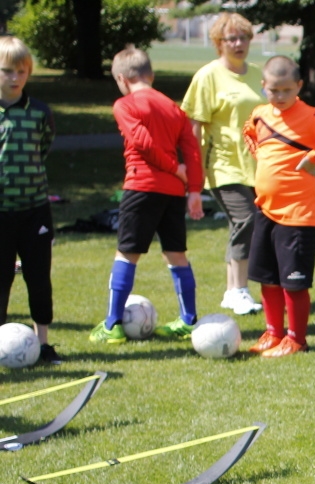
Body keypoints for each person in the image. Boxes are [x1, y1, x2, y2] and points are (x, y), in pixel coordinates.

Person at [242, 56, 315, 358]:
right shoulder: (259, 115)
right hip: (265, 209)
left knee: (292, 283)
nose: (279, 97)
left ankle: (296, 340)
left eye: (285, 90)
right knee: (267, 278)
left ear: (299, 86)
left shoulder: (310, 116)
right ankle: (273, 333)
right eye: (272, 90)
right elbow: (248, 132)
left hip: (298, 214)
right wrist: (261, 156)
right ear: (263, 87)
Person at [89, 48, 204, 345]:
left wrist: (174, 168)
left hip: (141, 187)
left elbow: (142, 143)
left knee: (127, 253)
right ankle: (188, 320)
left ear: (120, 78)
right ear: (150, 76)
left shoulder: (124, 105)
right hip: (174, 193)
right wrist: (193, 189)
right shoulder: (174, 109)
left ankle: (113, 325)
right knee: (176, 254)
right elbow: (193, 149)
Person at [181, 12, 265, 316]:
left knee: (241, 224)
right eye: (231, 38)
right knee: (247, 219)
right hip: (222, 164)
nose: (239, 43)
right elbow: (194, 128)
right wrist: (195, 171)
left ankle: (232, 291)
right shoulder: (207, 76)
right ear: (219, 43)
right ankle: (239, 289)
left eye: (243, 37)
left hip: (256, 165)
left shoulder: (258, 74)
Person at [0, 36, 60, 364]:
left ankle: (43, 343)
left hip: (35, 210)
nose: (15, 77)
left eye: (21, 71)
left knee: (38, 277)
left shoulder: (39, 112)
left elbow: (44, 148)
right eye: (7, 70)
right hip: (1, 213)